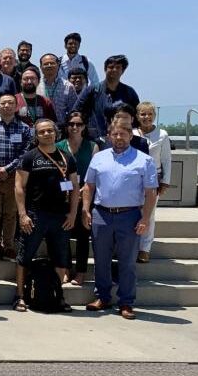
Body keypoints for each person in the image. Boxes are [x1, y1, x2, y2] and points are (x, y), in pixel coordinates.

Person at [82, 123, 157, 319]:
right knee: (101, 260)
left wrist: (145, 218)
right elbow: (89, 186)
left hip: (130, 215)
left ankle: (126, 302)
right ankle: (103, 297)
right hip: (101, 214)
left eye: (123, 134)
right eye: (115, 134)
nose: (119, 137)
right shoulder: (98, 157)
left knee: (128, 262)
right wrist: (85, 210)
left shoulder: (144, 160)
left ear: (130, 136)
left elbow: (151, 193)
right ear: (109, 136)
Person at [12, 119, 80, 312]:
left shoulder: (67, 158)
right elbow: (19, 187)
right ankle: (20, 296)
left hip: (60, 217)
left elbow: (75, 187)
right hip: (35, 215)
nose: (46, 134)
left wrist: (73, 214)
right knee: (24, 257)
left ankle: (58, 296)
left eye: (50, 131)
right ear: (36, 135)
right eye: (42, 132)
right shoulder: (29, 157)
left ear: (56, 133)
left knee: (60, 259)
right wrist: (23, 214)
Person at [0, 94, 34, 261]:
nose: (6, 106)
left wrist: (8, 169)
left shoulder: (24, 128)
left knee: (11, 213)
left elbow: (26, 153)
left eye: (10, 103)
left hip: (15, 177)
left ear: (16, 106)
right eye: (3, 103)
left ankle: (9, 246)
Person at [57, 111, 99, 285]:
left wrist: (83, 190)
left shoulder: (92, 146)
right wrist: (69, 189)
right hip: (63, 195)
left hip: (86, 195)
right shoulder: (58, 145)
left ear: (84, 127)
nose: (75, 127)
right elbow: (56, 172)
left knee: (83, 235)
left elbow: (96, 173)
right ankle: (66, 268)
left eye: (79, 124)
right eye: (71, 124)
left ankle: (81, 272)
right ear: (67, 126)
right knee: (63, 234)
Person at [134, 102, 172, 263]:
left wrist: (165, 182)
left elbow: (166, 160)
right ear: (137, 116)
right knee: (133, 213)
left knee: (149, 214)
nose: (146, 117)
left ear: (154, 116)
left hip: (153, 178)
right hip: (133, 178)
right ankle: (132, 246)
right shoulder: (132, 133)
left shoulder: (162, 134)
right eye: (143, 114)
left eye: (149, 114)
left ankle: (145, 249)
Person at [73, 55, 140, 141]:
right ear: (105, 69)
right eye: (111, 67)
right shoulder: (92, 90)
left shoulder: (129, 92)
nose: (114, 70)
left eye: (118, 67)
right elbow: (76, 112)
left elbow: (138, 118)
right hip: (95, 140)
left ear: (122, 71)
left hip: (122, 140)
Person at [37, 53, 78, 124]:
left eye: (52, 63)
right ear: (41, 67)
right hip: (41, 128)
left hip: (61, 129)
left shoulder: (68, 86)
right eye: (46, 64)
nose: (49, 65)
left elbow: (73, 111)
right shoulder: (36, 85)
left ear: (58, 65)